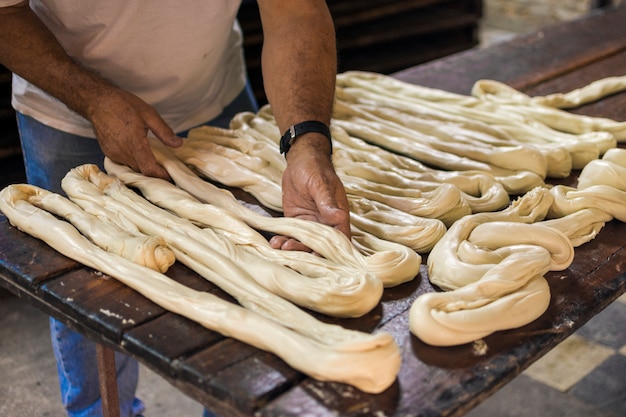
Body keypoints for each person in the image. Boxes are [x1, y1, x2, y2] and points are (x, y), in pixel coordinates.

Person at [0, 1, 351, 416]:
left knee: (251, 294)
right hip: (69, 111)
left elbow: (297, 12)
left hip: (215, 96)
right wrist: (94, 100)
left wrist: (305, 142)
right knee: (87, 296)